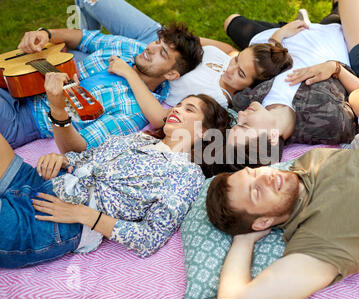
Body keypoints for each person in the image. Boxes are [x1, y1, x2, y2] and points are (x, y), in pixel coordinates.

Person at [0, 84, 232, 268]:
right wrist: (62, 159)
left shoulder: (187, 174)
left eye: (189, 109)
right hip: (43, 181)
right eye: (178, 105)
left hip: (58, 219)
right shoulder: (140, 138)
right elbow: (86, 157)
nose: (176, 109)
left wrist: (84, 214)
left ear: (204, 131)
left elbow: (149, 238)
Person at [205, 148, 359, 299]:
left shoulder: (311, 159)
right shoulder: (316, 243)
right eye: (256, 192)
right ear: (263, 222)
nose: (265, 177)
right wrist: (243, 241)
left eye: (253, 172)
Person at [225, 0, 359, 150]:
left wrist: (278, 38)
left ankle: (335, 17)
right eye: (243, 125)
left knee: (232, 23)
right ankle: (336, 17)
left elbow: (358, 96)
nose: (240, 117)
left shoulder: (244, 100)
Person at [73, 0, 294, 132]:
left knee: (61, 59)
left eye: (241, 73)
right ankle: (88, 35)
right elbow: (227, 49)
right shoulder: (228, 59)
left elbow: (161, 118)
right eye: (237, 60)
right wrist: (173, 43)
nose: (231, 68)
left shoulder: (215, 98)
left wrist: (131, 73)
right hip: (155, 39)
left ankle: (86, 42)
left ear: (250, 85)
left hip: (142, 68)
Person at [1, 12, 203, 153]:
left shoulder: (134, 111)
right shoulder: (132, 48)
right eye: (157, 42)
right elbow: (84, 38)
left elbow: (79, 148)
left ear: (171, 75)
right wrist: (46, 34)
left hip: (27, 118)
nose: (151, 48)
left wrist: (57, 108)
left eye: (163, 52)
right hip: (24, 80)